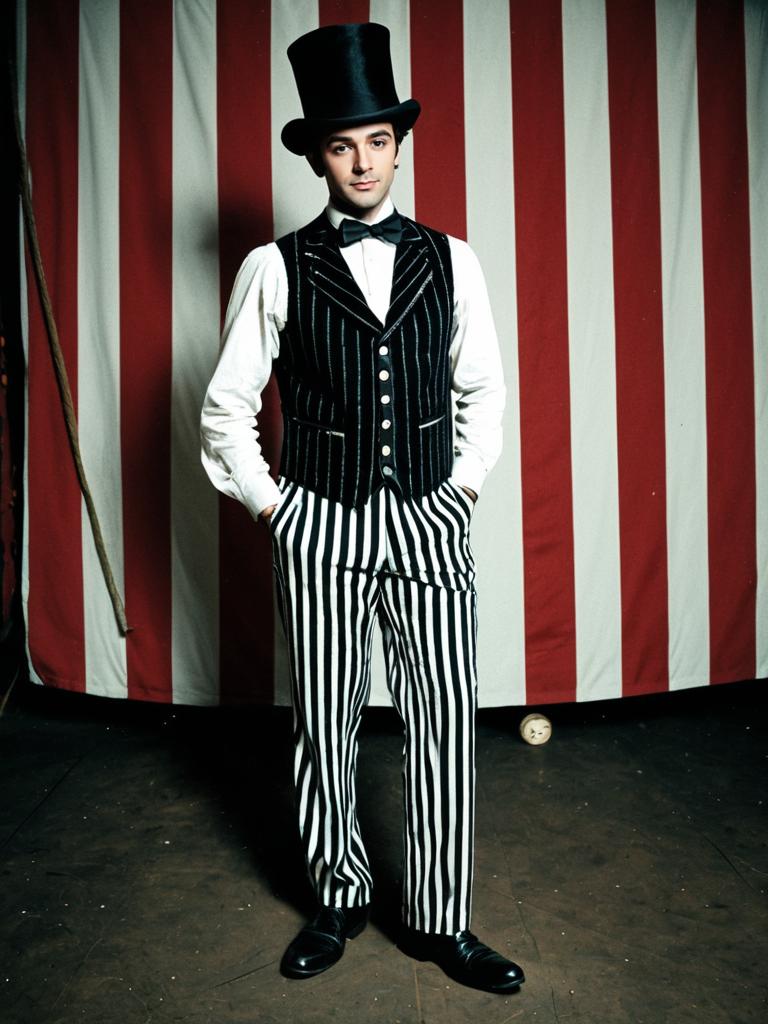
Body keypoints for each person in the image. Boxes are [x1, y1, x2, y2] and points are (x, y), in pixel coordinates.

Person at [200, 22, 524, 995]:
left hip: (431, 516)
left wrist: (458, 493)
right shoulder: (275, 266)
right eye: (342, 144)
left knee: (441, 720)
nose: (363, 160)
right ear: (320, 155)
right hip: (322, 523)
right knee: (325, 719)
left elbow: (486, 391)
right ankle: (337, 897)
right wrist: (274, 508)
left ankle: (440, 915)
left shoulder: (451, 260)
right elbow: (223, 407)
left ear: (398, 142)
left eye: (376, 139)